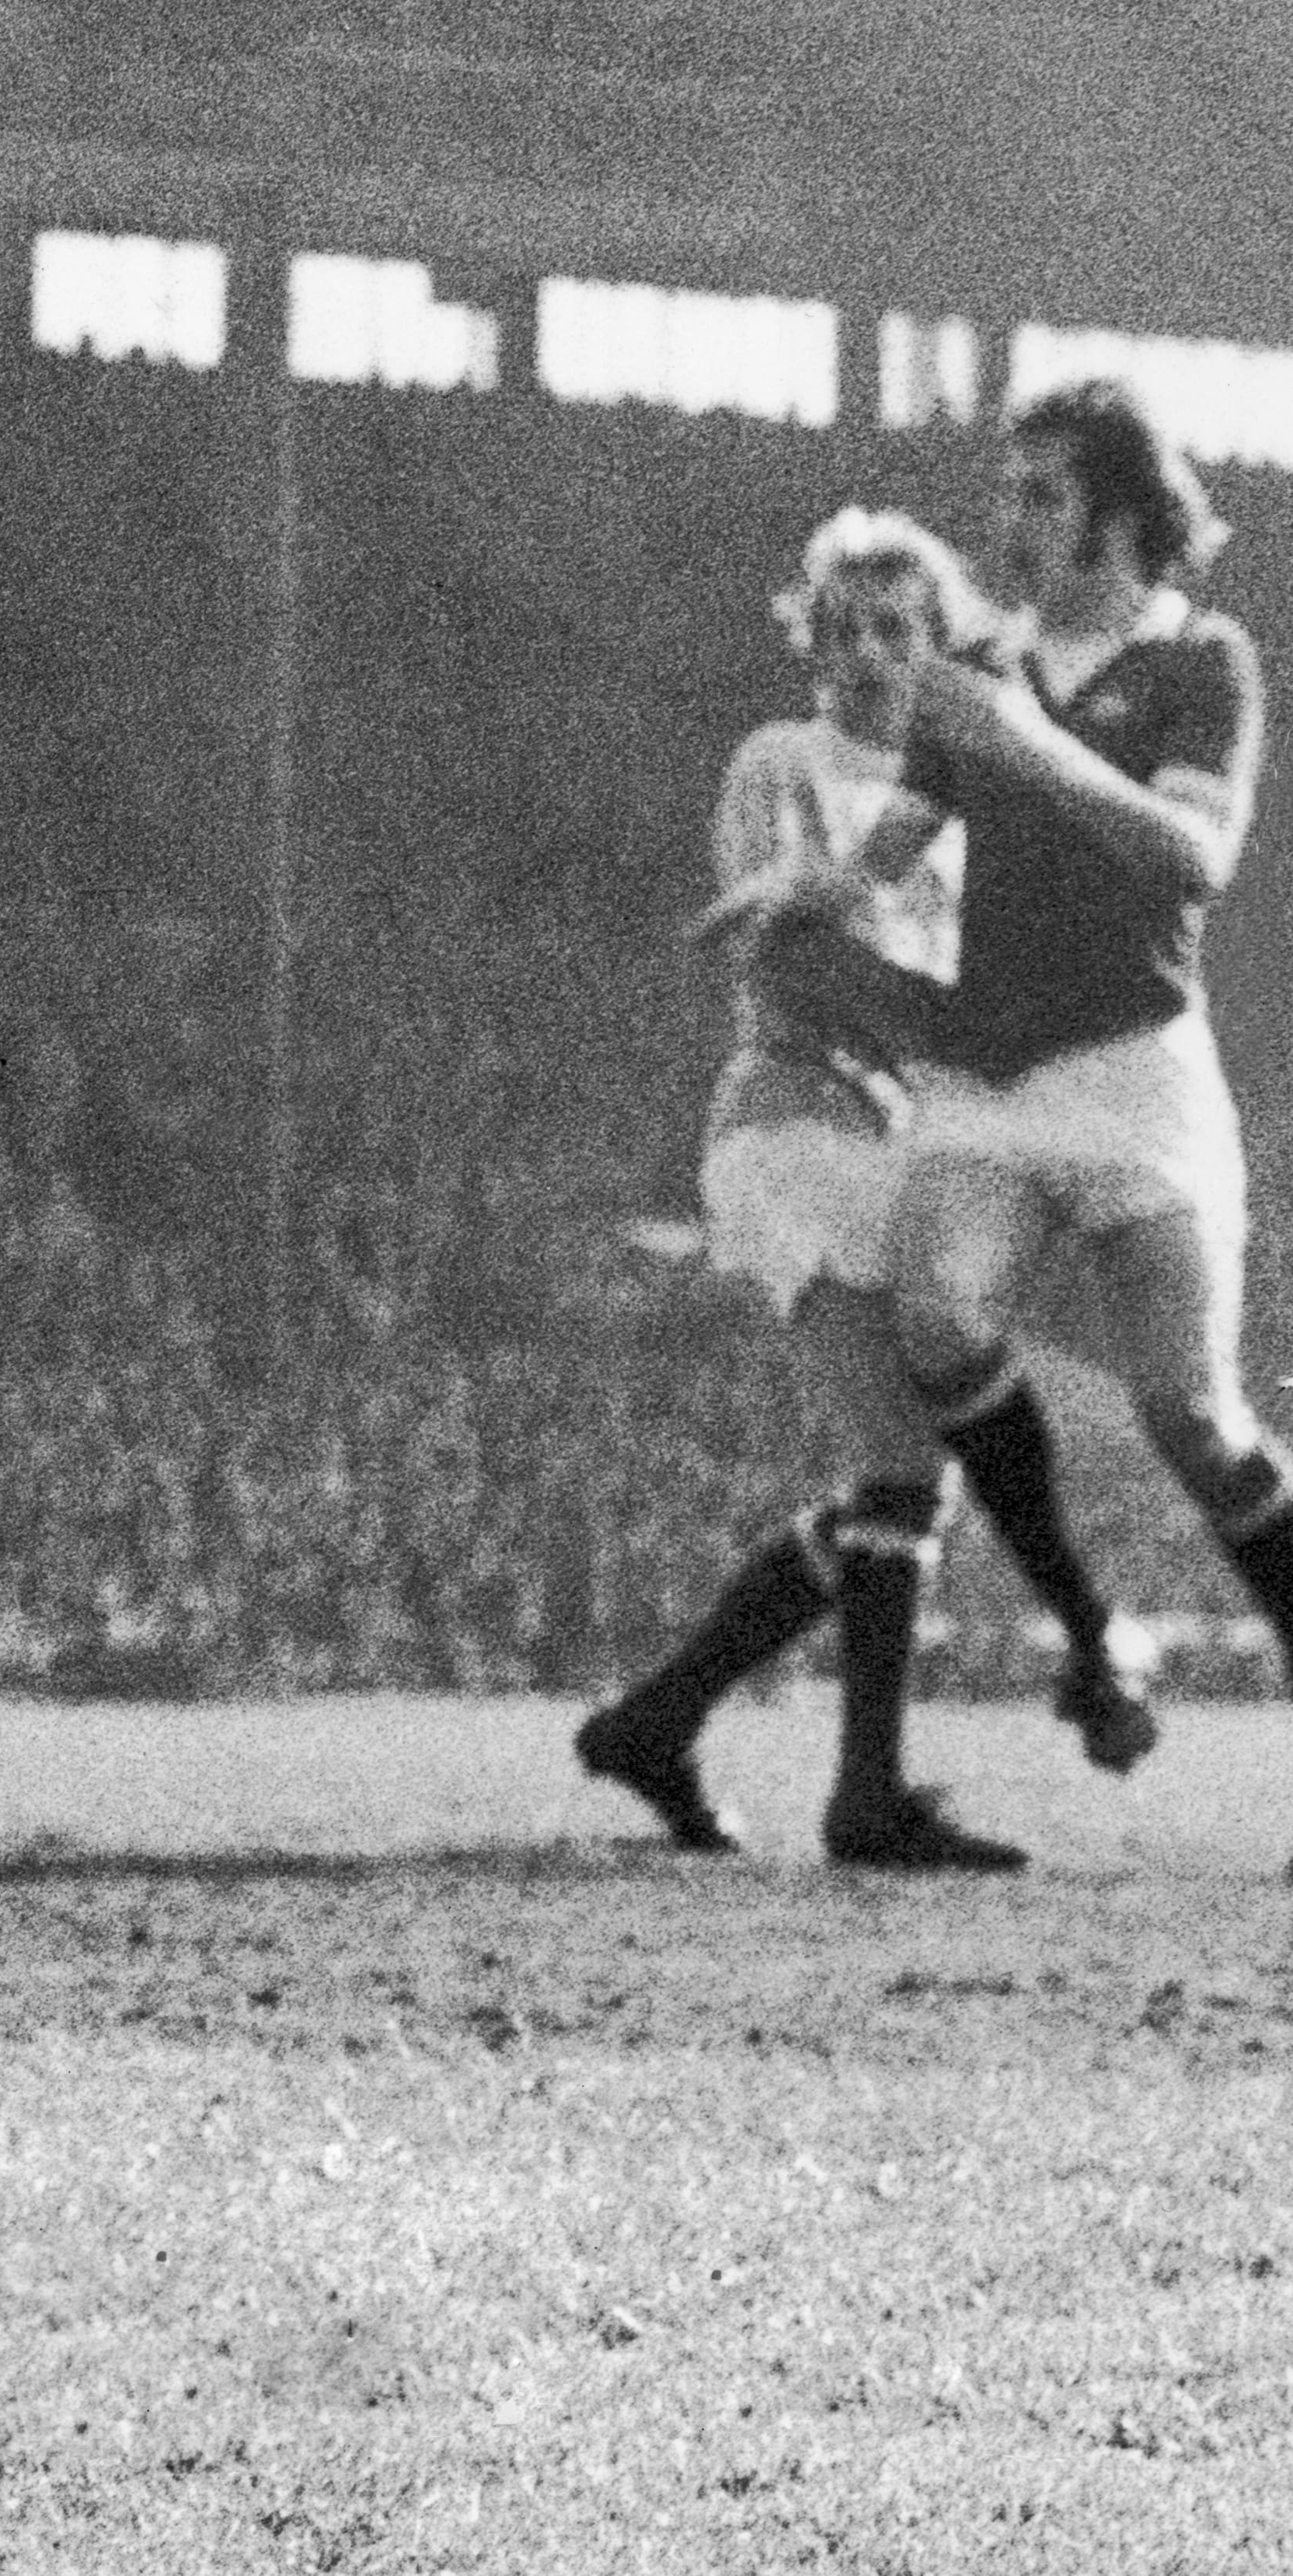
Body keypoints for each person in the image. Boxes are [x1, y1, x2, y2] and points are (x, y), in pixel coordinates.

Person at [573, 509, 1152, 1869]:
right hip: (793, 1129)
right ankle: (955, 1729)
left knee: (899, 1477)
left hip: (887, 1138)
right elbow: (782, 963)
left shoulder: (960, 804)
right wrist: (972, 1029)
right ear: (807, 644)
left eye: (892, 628)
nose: (861, 655)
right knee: (935, 1433)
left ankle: (656, 1723)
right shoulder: (779, 761)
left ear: (935, 642)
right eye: (835, 629)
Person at [788, 382, 1293, 1867]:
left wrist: (1021, 743)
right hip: (989, 1084)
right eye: (1004, 491)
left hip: (1136, 1070)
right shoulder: (976, 668)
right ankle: (1086, 1621)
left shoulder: (1200, 658)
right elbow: (888, 852)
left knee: (1190, 1415)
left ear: (1118, 513)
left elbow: (1190, 859)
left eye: (1036, 494)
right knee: (936, 1319)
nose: (1003, 520)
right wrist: (803, 890)